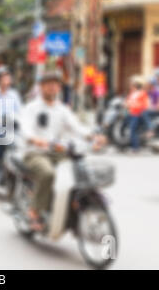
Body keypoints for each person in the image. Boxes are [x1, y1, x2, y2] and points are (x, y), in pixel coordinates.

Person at [20, 70, 104, 231]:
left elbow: (76, 126)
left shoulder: (62, 109)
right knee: (48, 174)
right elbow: (26, 129)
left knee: (79, 172)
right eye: (48, 84)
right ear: (41, 87)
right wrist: (35, 139)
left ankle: (70, 209)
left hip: (58, 152)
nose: (52, 88)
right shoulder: (31, 107)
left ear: (59, 88)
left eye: (56, 84)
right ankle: (34, 212)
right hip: (35, 152)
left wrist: (93, 136)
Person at [126, 77, 152, 152]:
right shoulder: (132, 93)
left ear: (136, 85)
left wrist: (134, 105)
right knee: (129, 128)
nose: (130, 86)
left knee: (133, 130)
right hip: (131, 112)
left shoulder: (142, 93)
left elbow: (144, 104)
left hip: (137, 114)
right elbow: (128, 101)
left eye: (132, 84)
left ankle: (135, 147)